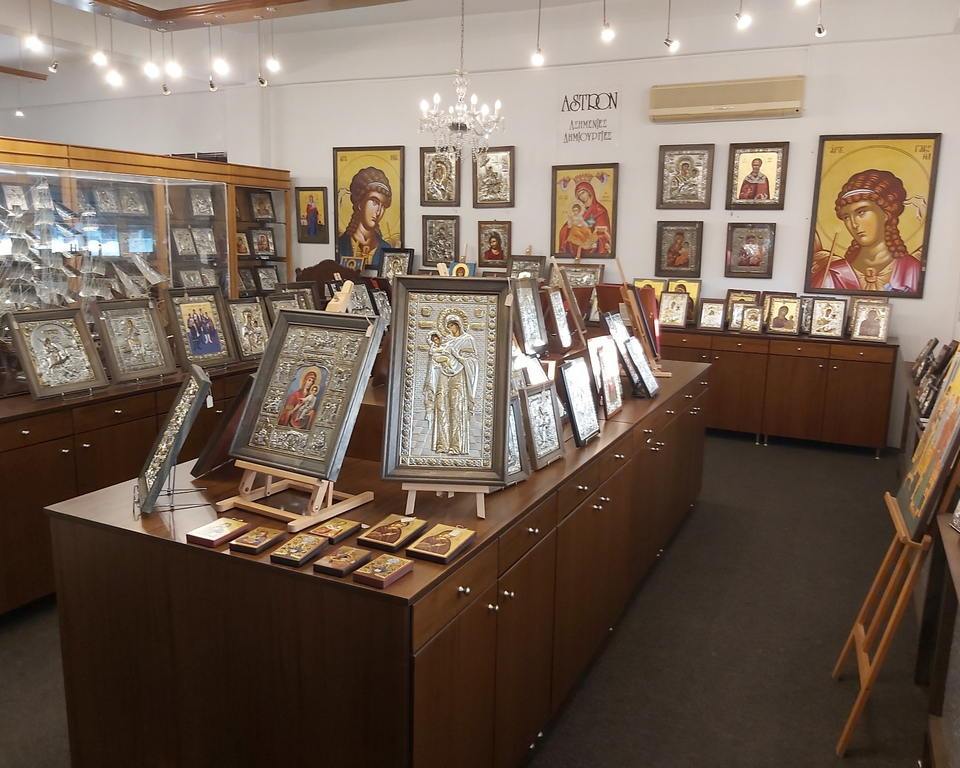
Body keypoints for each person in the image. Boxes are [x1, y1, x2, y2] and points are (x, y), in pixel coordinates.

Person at [809, 169, 922, 294]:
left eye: (861, 212)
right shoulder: (833, 275)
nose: (854, 224)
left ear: (886, 213)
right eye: (846, 217)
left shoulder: (911, 270)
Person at [423, 317, 478, 455]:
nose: (450, 329)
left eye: (452, 325)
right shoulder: (446, 340)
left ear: (458, 325)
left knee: (456, 407)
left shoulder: (468, 339)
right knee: (441, 406)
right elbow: (436, 355)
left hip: (459, 374)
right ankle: (442, 444)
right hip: (443, 373)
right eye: (448, 326)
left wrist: (458, 357)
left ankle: (456, 446)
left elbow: (473, 360)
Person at [337, 166, 393, 269]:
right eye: (374, 202)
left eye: (383, 206)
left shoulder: (386, 248)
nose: (378, 211)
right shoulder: (341, 245)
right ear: (360, 204)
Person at [557, 180, 611, 256]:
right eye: (579, 195)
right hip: (579, 240)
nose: (581, 196)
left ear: (589, 192)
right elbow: (567, 228)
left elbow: (603, 232)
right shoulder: (580, 210)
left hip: (591, 241)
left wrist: (591, 235)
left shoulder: (600, 210)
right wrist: (570, 226)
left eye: (583, 193)